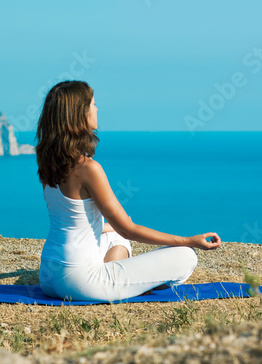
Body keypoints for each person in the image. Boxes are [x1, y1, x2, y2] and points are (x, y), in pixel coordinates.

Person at [35, 80, 221, 302]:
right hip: (80, 282)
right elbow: (129, 229)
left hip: (49, 277)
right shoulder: (88, 168)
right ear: (79, 113)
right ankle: (129, 284)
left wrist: (111, 228)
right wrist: (188, 240)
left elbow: (74, 221)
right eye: (92, 104)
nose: (97, 108)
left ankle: (119, 278)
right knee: (186, 256)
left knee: (114, 236)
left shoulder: (48, 161)